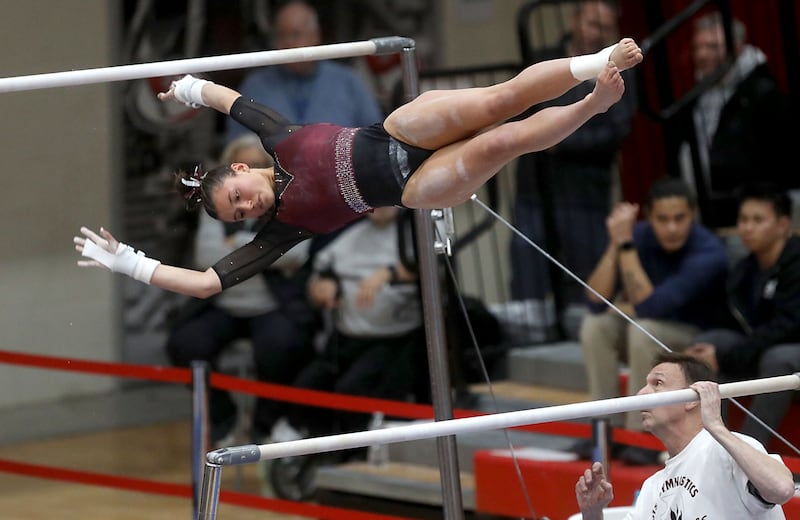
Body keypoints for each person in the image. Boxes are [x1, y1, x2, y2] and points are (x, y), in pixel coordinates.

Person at [73, 38, 644, 301]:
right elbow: (203, 284)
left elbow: (227, 98)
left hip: (397, 132)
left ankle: (594, 63)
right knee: (505, 142)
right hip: (412, 186)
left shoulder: (278, 137)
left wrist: (188, 87)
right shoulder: (282, 231)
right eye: (237, 215)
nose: (246, 209)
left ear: (242, 168)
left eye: (237, 196)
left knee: (498, 102)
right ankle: (593, 105)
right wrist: (131, 263)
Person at [164, 135, 314, 446]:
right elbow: (206, 258)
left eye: (262, 165)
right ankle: (224, 417)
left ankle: (265, 424)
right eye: (236, 210)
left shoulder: (291, 197)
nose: (247, 205)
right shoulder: (219, 201)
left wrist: (234, 248)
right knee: (185, 344)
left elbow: (298, 254)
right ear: (235, 168)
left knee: (283, 347)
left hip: (273, 305)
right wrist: (265, 253)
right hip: (225, 306)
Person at [577, 177, 729, 464]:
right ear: (649, 217)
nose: (671, 227)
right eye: (662, 219)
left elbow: (651, 306)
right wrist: (616, 243)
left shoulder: (709, 251)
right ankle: (602, 428)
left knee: (643, 329)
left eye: (679, 218)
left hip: (697, 340)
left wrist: (626, 246)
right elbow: (595, 301)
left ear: (692, 215)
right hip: (649, 330)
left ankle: (641, 433)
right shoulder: (639, 236)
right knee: (595, 326)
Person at [510, 0, 637, 320]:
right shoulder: (543, 59)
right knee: (528, 274)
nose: (596, 33)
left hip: (587, 192)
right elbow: (522, 111)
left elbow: (617, 130)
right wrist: (548, 135)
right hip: (536, 189)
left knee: (587, 287)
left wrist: (554, 138)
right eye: (592, 23)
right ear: (574, 19)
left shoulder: (620, 67)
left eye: (606, 28)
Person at [575, 351, 795, 519]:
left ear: (692, 399)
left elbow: (781, 489)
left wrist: (716, 426)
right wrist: (592, 513)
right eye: (645, 384)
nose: (641, 393)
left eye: (657, 384)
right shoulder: (653, 486)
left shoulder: (730, 450)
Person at [277, 205, 425, 442]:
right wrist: (323, 288)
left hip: (394, 341)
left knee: (351, 389)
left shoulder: (415, 235)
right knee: (307, 386)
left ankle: (353, 455)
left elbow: (430, 268)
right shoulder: (348, 237)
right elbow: (318, 277)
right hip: (346, 338)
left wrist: (388, 273)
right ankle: (313, 448)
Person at [686, 182, 800, 448]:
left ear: (783, 225)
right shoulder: (744, 270)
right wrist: (715, 352)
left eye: (757, 220)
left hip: (787, 353)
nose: (747, 228)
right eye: (744, 219)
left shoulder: (797, 263)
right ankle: (711, 446)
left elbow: (789, 325)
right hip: (766, 346)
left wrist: (728, 355)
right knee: (711, 342)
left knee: (778, 359)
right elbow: (737, 324)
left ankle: (748, 451)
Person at [676, 10, 794, 230]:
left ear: (737, 48)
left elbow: (779, 159)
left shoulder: (762, 92)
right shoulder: (698, 92)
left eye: (712, 47)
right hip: (709, 209)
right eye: (697, 47)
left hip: (754, 216)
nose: (701, 55)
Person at [225, 0, 384, 144]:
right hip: (271, 173)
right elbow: (236, 147)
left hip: (337, 171)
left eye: (296, 34)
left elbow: (375, 139)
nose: (288, 44)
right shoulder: (255, 86)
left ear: (315, 36)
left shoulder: (348, 81)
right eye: (281, 36)